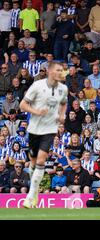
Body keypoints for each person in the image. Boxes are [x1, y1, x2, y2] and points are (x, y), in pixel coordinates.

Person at [19, 61, 67, 208]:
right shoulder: (37, 86)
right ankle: (34, 191)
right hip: (34, 129)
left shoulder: (63, 89)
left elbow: (63, 103)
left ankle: (31, 195)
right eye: (58, 70)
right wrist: (36, 112)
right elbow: (22, 105)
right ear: (50, 71)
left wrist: (61, 116)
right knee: (33, 162)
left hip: (49, 129)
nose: (61, 73)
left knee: (40, 161)